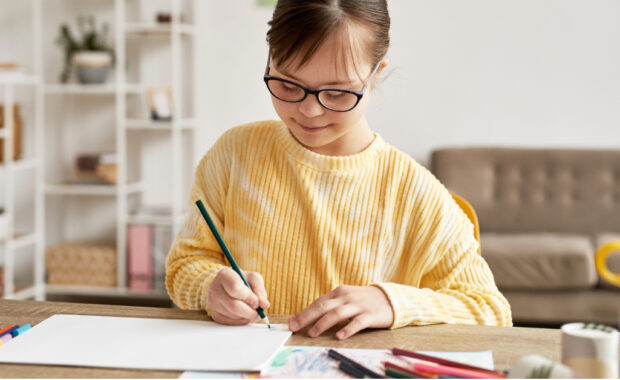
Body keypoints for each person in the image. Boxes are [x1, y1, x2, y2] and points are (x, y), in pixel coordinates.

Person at [166, 0, 512, 340]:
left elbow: (491, 313)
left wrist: (392, 302)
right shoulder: (234, 154)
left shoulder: (413, 191)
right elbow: (186, 263)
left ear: (376, 75)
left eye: (337, 93)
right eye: (288, 85)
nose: (310, 111)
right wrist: (209, 288)